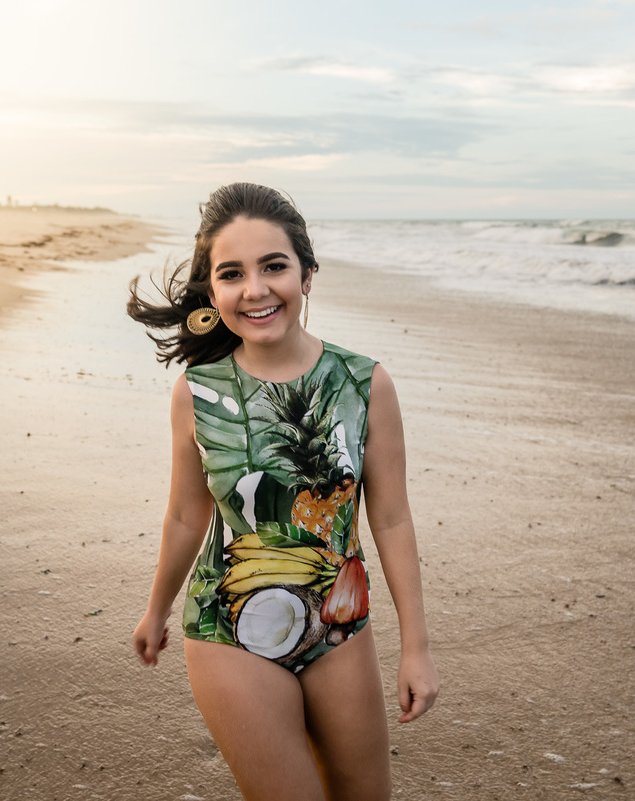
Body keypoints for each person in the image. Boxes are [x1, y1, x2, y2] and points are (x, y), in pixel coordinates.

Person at [127, 182, 439, 801]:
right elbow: (186, 516)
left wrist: (417, 648)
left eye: (274, 266)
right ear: (211, 292)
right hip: (225, 627)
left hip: (339, 623)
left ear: (307, 274)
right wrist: (156, 608)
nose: (256, 289)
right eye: (232, 273)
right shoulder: (198, 391)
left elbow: (394, 520)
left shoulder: (363, 382)